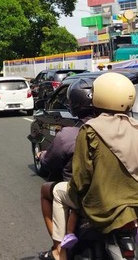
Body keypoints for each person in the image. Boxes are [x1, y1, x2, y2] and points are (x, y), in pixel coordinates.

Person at [51, 72, 138, 259]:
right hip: (137, 205)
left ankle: (59, 250)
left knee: (56, 193)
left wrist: (78, 200)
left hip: (99, 207)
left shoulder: (90, 130)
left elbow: (81, 179)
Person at [37, 76, 95, 260]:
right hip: (124, 192)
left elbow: (48, 163)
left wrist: (42, 156)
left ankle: (58, 249)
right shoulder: (126, 130)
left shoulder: (70, 134)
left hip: (83, 193)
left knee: (47, 191)